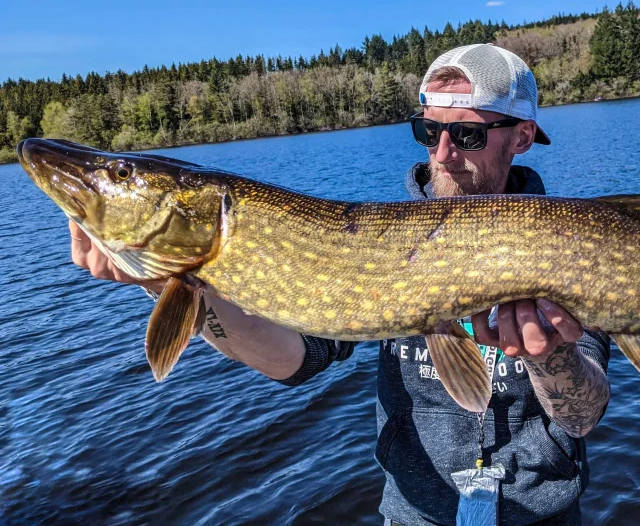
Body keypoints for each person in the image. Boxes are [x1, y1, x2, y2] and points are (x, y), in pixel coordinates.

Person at [69, 44, 611, 526]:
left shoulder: (572, 239)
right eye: (429, 131)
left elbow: (583, 415)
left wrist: (551, 357)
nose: (443, 153)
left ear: (520, 137)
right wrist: (164, 280)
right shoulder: (376, 243)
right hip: (414, 515)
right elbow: (292, 359)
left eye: (467, 134)